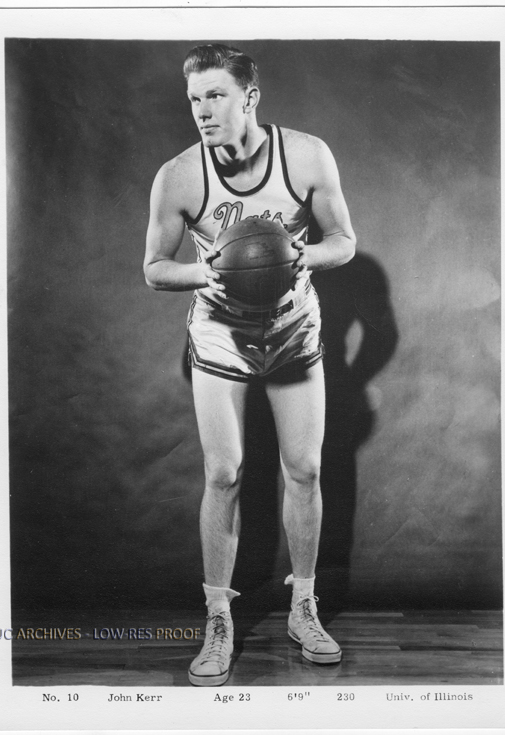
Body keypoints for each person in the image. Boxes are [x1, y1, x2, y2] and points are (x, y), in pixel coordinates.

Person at [144, 44, 356, 687]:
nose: (202, 110)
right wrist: (202, 272)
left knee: (306, 468)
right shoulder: (179, 177)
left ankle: (303, 607)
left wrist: (299, 258)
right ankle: (218, 618)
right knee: (224, 472)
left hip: (291, 326)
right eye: (195, 99)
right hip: (221, 332)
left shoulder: (307, 156)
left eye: (216, 95)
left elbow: (344, 241)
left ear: (250, 98)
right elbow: (154, 269)